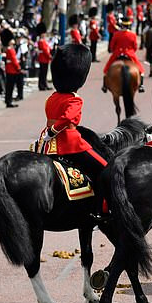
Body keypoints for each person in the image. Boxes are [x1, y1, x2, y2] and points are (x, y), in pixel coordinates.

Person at [35, 43, 108, 218]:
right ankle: (102, 209)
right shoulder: (75, 100)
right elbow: (67, 119)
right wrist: (54, 130)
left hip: (47, 143)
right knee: (106, 169)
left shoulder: (52, 97)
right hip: (70, 142)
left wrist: (49, 133)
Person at [102, 13, 145, 93]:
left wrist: (116, 50)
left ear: (121, 25)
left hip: (117, 53)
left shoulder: (116, 34)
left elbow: (112, 47)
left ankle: (104, 86)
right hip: (130, 54)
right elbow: (135, 47)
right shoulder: (133, 35)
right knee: (141, 70)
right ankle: (141, 85)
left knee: (106, 69)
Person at [1, 28, 21, 107]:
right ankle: (9, 101)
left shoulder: (9, 49)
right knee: (10, 87)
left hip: (10, 69)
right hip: (12, 70)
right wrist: (18, 68)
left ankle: (8, 100)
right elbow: (14, 60)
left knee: (9, 86)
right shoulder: (10, 50)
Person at [35, 23, 52, 91]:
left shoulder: (43, 41)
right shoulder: (41, 41)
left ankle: (44, 84)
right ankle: (42, 85)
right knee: (43, 73)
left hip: (45, 58)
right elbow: (45, 50)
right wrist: (50, 56)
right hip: (43, 58)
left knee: (44, 72)